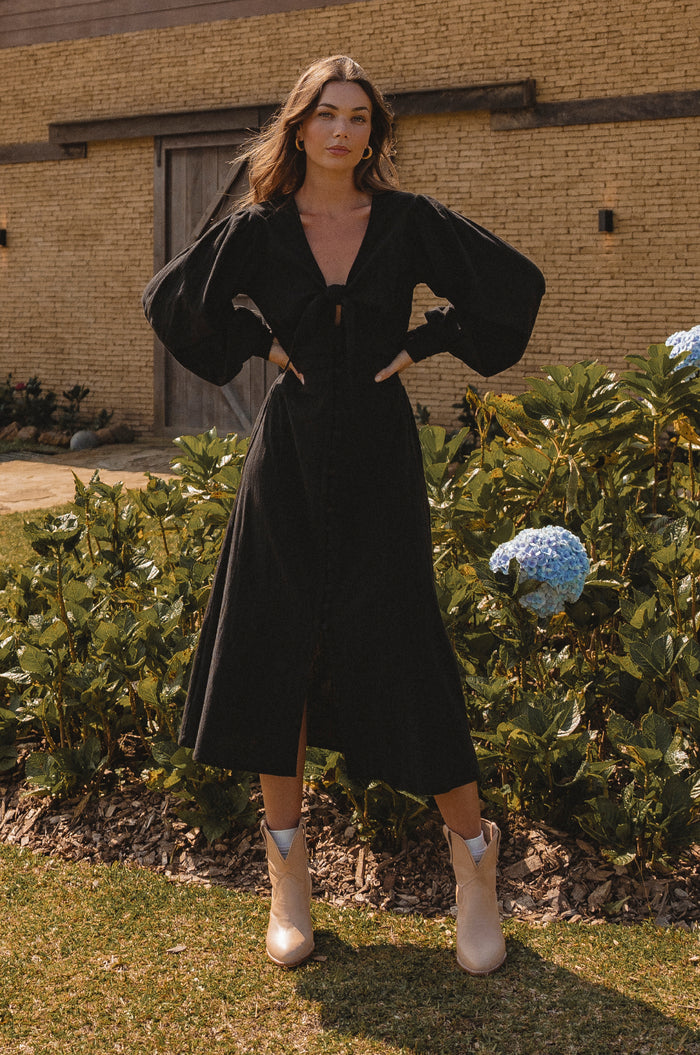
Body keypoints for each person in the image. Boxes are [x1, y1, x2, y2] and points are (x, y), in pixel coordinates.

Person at [142, 55, 545, 975]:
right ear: (297, 126)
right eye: (325, 114)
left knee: (406, 645)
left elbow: (510, 285)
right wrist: (260, 342)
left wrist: (425, 340)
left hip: (377, 460)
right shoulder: (260, 229)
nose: (341, 131)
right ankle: (289, 882)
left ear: (375, 132)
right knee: (272, 647)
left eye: (358, 117)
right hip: (284, 462)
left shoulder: (407, 223)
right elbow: (172, 302)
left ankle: (474, 870)